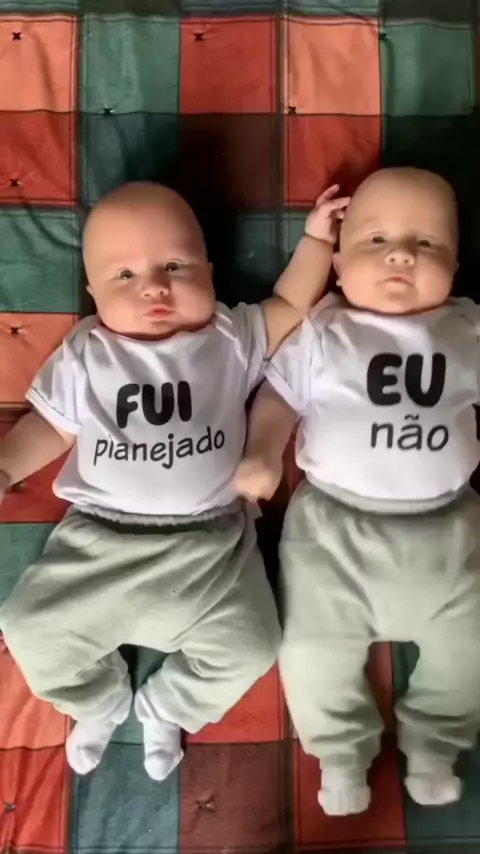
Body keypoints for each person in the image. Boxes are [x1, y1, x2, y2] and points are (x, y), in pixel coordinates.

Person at [0, 180, 349, 779]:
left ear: (209, 274)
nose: (155, 287)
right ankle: (98, 701)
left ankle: (168, 706)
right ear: (93, 294)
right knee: (27, 630)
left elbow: (290, 307)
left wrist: (316, 241)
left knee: (253, 646)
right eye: (125, 276)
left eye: (174, 266)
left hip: (209, 549)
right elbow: (52, 428)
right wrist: (6, 466)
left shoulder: (229, 336)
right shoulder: (88, 351)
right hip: (99, 547)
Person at [235, 167, 480, 814]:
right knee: (310, 646)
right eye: (377, 240)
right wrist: (261, 452)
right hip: (333, 534)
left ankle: (438, 744)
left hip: (450, 533)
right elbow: (278, 397)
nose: (402, 255)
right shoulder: (322, 331)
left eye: (427, 243)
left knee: (473, 646)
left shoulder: (468, 330)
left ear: (455, 267)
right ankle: (340, 751)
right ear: (338, 267)